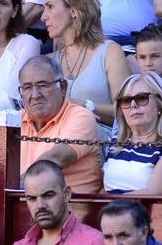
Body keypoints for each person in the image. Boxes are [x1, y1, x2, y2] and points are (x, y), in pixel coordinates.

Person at [43, 0, 130, 128]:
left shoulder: (109, 52)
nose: (43, 17)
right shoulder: (48, 61)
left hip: (98, 139)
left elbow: (127, 111)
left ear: (73, 11)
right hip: (55, 138)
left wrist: (83, 105)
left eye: (50, 7)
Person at [17, 56, 103, 192]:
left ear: (63, 87)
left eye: (42, 85)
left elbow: (55, 158)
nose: (35, 95)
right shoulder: (14, 119)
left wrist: (9, 184)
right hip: (20, 206)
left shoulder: (80, 116)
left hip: (72, 210)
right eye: (27, 87)